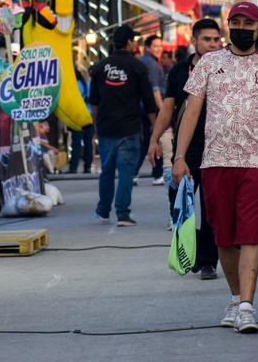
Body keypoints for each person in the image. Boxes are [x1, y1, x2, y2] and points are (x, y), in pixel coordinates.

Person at [173, 1, 258, 334]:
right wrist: (180, 157)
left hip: (256, 163)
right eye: (235, 21)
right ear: (228, 25)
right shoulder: (209, 63)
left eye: (247, 22)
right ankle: (236, 297)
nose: (241, 27)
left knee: (251, 234)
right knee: (224, 237)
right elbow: (191, 113)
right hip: (214, 162)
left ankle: (247, 307)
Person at [148, 18, 223, 280]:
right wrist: (154, 139)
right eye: (207, 39)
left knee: (211, 208)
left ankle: (208, 261)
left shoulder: (228, 68)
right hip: (187, 149)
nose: (213, 44)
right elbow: (168, 107)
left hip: (218, 148)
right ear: (194, 41)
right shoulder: (180, 71)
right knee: (184, 206)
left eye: (216, 39)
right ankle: (190, 253)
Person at [90, 25, 157, 226]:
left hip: (106, 128)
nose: (135, 44)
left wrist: (96, 127)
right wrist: (155, 128)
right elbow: (148, 100)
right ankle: (122, 214)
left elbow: (94, 101)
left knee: (107, 171)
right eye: (133, 40)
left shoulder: (100, 67)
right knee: (126, 171)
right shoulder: (137, 67)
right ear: (128, 42)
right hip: (129, 128)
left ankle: (103, 211)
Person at [137, 35, 167, 186]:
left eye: (160, 46)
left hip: (142, 107)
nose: (159, 49)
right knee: (156, 139)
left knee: (147, 141)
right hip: (152, 108)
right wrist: (163, 110)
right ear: (147, 47)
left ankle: (135, 173)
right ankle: (157, 174)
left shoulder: (144, 61)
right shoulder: (152, 64)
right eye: (155, 46)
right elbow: (155, 90)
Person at [68, 67, 94, 174]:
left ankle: (73, 167)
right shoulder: (88, 85)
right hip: (89, 117)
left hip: (77, 117)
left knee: (76, 143)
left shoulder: (74, 85)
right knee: (88, 143)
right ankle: (87, 167)